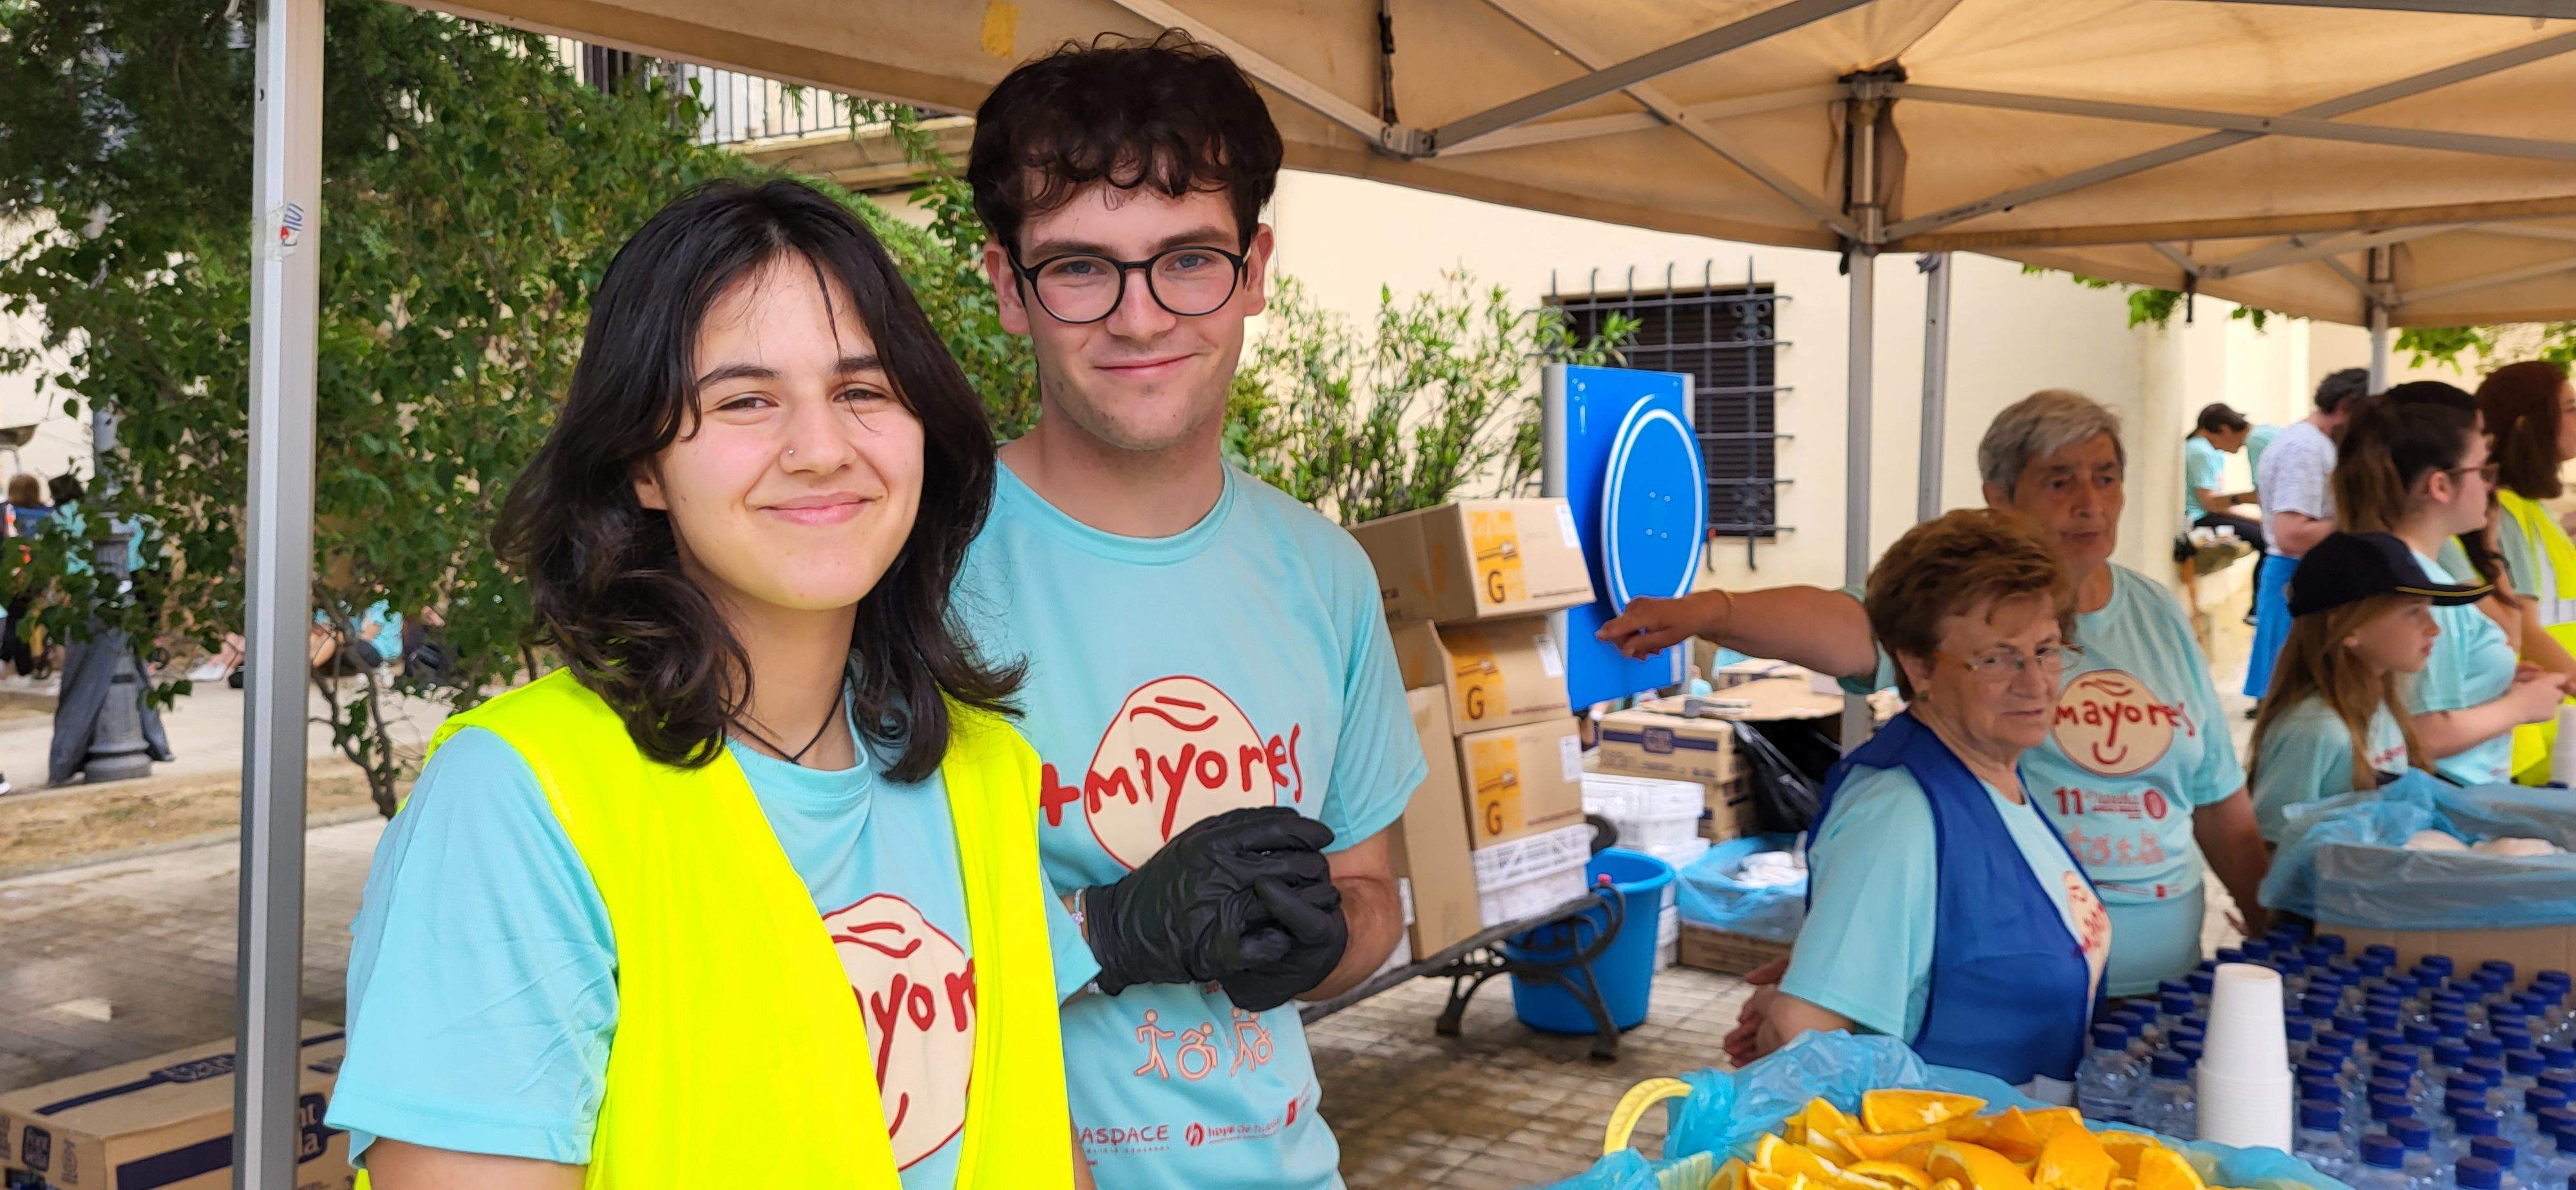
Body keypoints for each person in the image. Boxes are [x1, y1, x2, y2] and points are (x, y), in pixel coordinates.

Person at [328, 180, 1092, 1188]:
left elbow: (1042, 1144)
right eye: (744, 400)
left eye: (863, 391)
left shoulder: (983, 768)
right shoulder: (520, 800)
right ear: (642, 467)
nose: (821, 450)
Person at [955, 32, 1424, 1189]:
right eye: (1078, 267)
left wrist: (1329, 937)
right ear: (1008, 286)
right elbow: (830, 936)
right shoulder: (918, 568)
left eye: (1189, 259)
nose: (1141, 316)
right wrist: (1105, 932)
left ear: (1255, 269)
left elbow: (1374, 900)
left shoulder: (1326, 571)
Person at [1602, 390, 2268, 997]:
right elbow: (1851, 628)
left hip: (2166, 985)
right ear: (1999, 497)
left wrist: (2269, 926)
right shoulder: (1959, 610)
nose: (2089, 502)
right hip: (2008, 991)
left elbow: (2216, 796)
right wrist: (1712, 613)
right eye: (2059, 481)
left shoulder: (2155, 612)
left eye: (2105, 477)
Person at [1727, 509, 2110, 1099]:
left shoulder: (1999, 775)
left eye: (2047, 650)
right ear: (1918, 666)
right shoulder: (1899, 811)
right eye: (1996, 658)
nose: (2034, 682)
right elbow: (1803, 1043)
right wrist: (1792, 1003)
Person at [2331, 387, 2564, 788]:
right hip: (2445, 797)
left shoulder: (2412, 573)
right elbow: (2422, 733)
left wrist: (2495, 681)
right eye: (2483, 471)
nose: (2492, 486)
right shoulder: (2424, 590)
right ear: (2439, 486)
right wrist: (2520, 707)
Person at [2248, 532, 2483, 845]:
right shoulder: (2317, 730)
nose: (2434, 628)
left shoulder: (2380, 709)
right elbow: (2271, 848)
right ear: (2345, 627)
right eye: (2414, 612)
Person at [2476, 361, 2576, 780]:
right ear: (2526, 425)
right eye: (2571, 408)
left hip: (2553, 719)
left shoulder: (2528, 508)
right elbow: (2528, 630)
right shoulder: (2506, 511)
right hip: (2539, 733)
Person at [2248, 368, 2371, 697]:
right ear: (2345, 407)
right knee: (2296, 701)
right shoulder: (2304, 450)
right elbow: (2292, 534)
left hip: (2307, 580)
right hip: (2297, 581)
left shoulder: (2313, 444)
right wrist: (2363, 521)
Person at [2183, 402, 2266, 553]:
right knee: (2264, 538)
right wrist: (2257, 518)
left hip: (2212, 514)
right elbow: (2211, 503)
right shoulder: (2201, 451)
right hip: (2201, 518)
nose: (2215, 447)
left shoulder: (2207, 450)